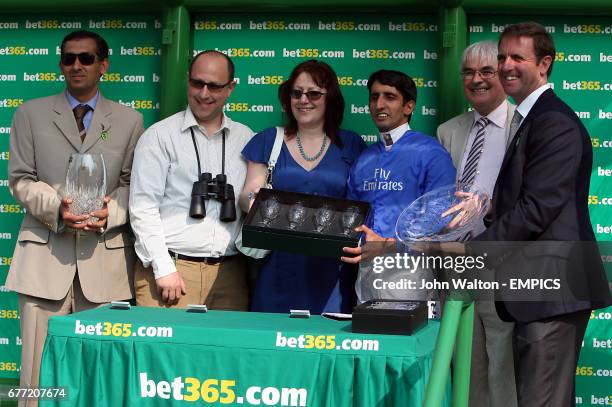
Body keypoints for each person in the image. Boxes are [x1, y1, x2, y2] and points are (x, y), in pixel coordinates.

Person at [470, 22, 611, 406]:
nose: (506, 66)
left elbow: (539, 208)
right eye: (502, 57)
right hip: (535, 290)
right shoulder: (532, 117)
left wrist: (471, 253)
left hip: (553, 291)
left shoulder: (553, 121)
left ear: (545, 63)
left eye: (518, 57)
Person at [6, 30, 143, 403]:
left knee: (97, 374)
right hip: (43, 259)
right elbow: (20, 179)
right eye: (69, 58)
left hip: (104, 264)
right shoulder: (29, 114)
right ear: (60, 64)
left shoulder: (130, 120)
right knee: (35, 377)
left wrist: (109, 212)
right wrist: (56, 208)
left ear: (104, 65)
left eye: (85, 58)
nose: (76, 65)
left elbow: (133, 186)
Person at [239, 60, 366, 314]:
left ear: (330, 98)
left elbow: (361, 204)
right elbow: (246, 195)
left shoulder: (351, 144)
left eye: (314, 93)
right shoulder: (268, 139)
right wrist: (255, 203)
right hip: (278, 266)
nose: (303, 100)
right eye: (296, 93)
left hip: (333, 270)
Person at [130, 50, 253, 310]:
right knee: (161, 351)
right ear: (187, 80)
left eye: (214, 86)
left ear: (231, 88)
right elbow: (143, 207)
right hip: (169, 271)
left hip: (229, 273)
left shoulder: (246, 140)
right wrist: (163, 268)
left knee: (223, 351)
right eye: (197, 83)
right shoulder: (160, 136)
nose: (204, 94)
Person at [437, 41, 517, 407]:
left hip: (504, 261)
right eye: (468, 72)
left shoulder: (523, 125)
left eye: (486, 71)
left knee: (505, 365)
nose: (476, 79)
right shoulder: (447, 131)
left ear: (503, 73)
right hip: (456, 260)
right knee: (464, 366)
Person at [342, 70, 455, 303]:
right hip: (365, 271)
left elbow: (439, 220)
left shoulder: (430, 153)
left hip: (409, 272)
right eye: (374, 97)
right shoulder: (364, 159)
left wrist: (387, 246)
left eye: (389, 97)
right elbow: (351, 216)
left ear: (409, 107)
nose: (379, 104)